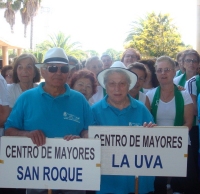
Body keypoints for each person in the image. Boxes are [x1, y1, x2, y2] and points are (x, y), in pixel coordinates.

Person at [5, 47, 94, 194]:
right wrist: (26, 134)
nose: (58, 72)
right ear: (43, 71)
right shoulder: (26, 98)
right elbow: (9, 131)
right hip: (35, 179)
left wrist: (82, 138)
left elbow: (91, 131)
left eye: (63, 68)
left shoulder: (80, 100)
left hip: (74, 180)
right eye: (53, 68)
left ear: (68, 73)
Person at [92, 61, 155, 194]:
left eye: (122, 83)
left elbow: (154, 141)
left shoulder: (141, 109)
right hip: (107, 184)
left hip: (138, 182)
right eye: (112, 84)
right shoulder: (94, 111)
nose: (117, 88)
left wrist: (152, 132)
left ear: (128, 86)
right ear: (105, 86)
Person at [146, 56, 198, 194]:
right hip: (156, 143)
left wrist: (173, 137)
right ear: (156, 73)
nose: (163, 73)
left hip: (180, 142)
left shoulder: (183, 94)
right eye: (159, 70)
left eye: (167, 70)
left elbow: (188, 122)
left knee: (188, 183)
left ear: (174, 71)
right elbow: (146, 121)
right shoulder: (150, 96)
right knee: (159, 183)